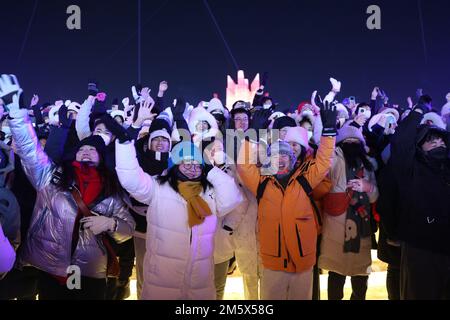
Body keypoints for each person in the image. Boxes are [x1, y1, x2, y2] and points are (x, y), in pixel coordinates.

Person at [2, 75, 135, 300]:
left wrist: (110, 223)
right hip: (52, 269)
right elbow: (30, 151)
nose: (86, 151)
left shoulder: (110, 190)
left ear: (101, 158)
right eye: (82, 149)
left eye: (92, 150)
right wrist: (17, 113)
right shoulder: (52, 177)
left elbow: (128, 229)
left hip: (91, 271)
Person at [115, 138, 243, 300]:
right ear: (174, 165)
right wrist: (125, 144)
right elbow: (131, 180)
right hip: (162, 281)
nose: (192, 169)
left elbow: (232, 198)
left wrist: (210, 169)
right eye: (186, 164)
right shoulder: (157, 188)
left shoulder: (208, 194)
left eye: (197, 165)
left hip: (199, 282)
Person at [237, 99, 337, 300]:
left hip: (303, 259)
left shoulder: (304, 180)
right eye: (276, 155)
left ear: (293, 160)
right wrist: (252, 135)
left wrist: (328, 131)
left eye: (286, 156)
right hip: (273, 261)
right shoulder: (262, 182)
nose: (281, 159)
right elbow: (244, 166)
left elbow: (324, 162)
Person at [385, 98, 450, 300]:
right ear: (420, 147)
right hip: (420, 250)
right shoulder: (411, 169)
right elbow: (401, 141)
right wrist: (419, 110)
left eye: (442, 141)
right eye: (432, 140)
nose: (439, 143)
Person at [318, 125, 379, 300]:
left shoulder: (368, 164)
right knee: (336, 274)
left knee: (360, 276)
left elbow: (375, 197)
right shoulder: (335, 159)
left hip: (361, 228)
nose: (352, 144)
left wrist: (368, 187)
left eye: (355, 141)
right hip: (337, 228)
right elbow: (324, 163)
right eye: (347, 141)